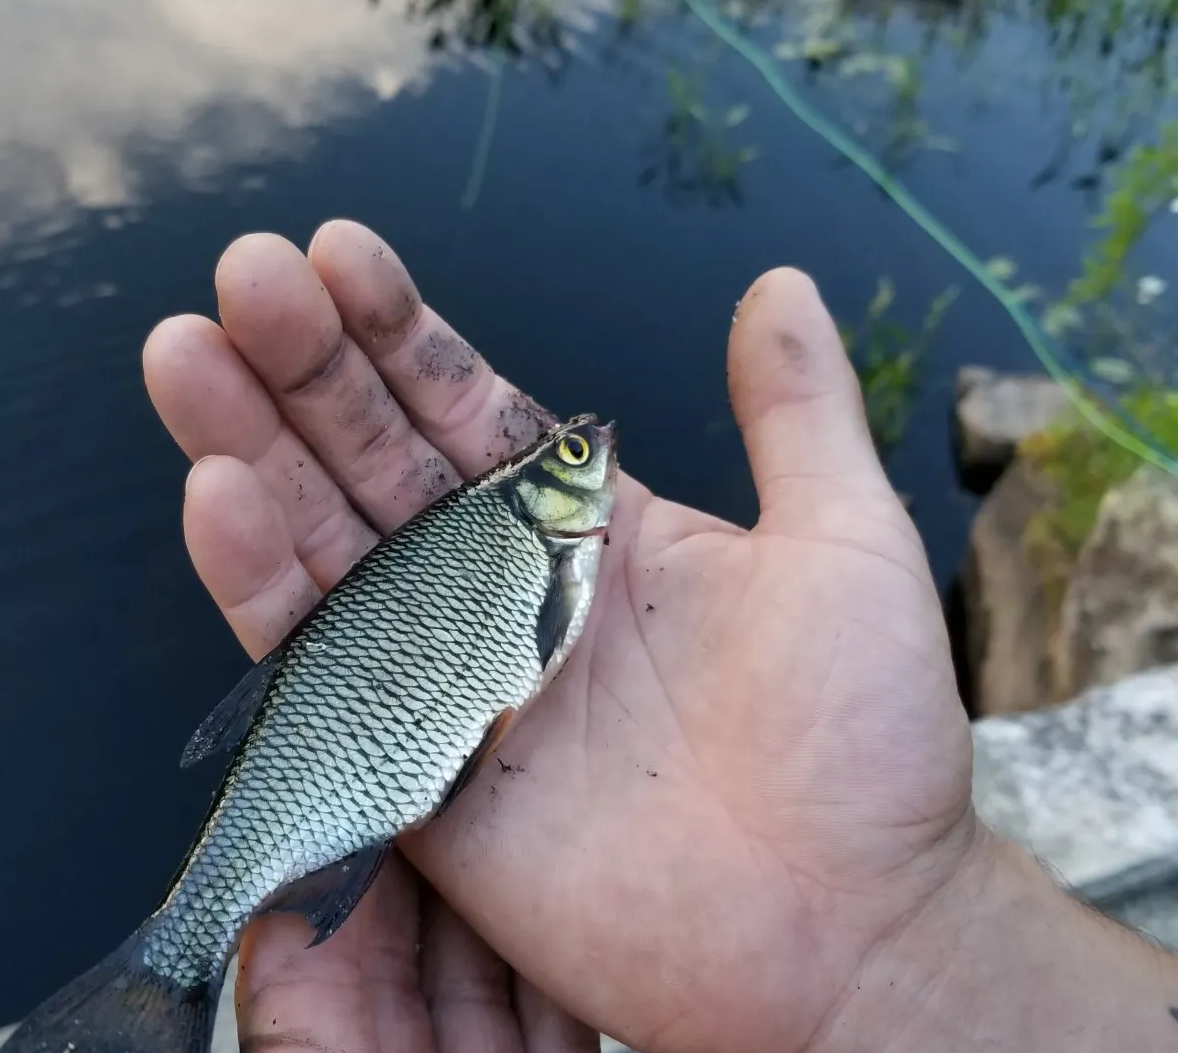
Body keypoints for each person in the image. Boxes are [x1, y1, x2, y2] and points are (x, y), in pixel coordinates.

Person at [141, 219, 1178, 1053]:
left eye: (577, 451)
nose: (591, 454)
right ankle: (172, 962)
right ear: (549, 498)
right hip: (354, 735)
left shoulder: (546, 543)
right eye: (575, 454)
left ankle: (171, 961)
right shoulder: (527, 537)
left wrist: (909, 918)